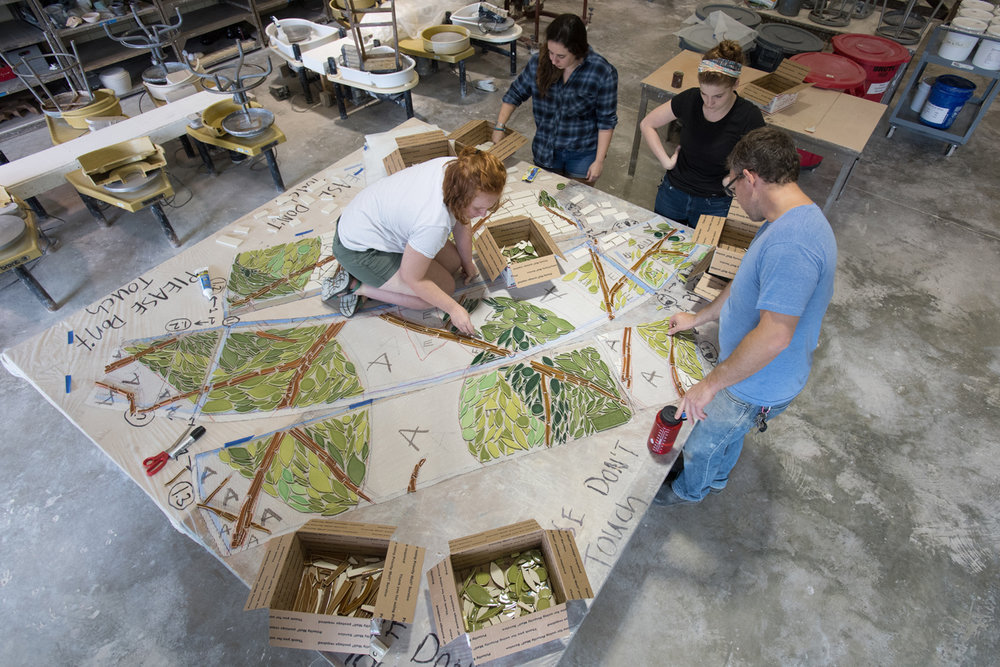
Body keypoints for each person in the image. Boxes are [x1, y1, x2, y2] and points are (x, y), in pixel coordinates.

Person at [654, 126, 837, 505]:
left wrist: (710, 385)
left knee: (702, 444)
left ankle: (691, 491)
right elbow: (745, 283)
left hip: (755, 383)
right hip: (749, 377)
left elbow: (774, 337)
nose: (734, 196)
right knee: (728, 435)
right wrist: (699, 317)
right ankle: (717, 477)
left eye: (733, 187)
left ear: (750, 178)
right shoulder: (785, 217)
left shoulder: (792, 245)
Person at [322, 148, 506, 336]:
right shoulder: (434, 223)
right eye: (478, 208)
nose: (483, 214)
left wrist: (467, 263)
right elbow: (413, 278)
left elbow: (462, 220)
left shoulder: (460, 169)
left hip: (370, 221)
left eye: (488, 207)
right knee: (434, 295)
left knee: (453, 262)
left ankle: (379, 275)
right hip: (358, 250)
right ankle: (355, 286)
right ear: (460, 198)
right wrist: (454, 309)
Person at [640, 40, 764, 227]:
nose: (709, 102)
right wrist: (665, 161)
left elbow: (763, 159)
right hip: (674, 193)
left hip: (714, 202)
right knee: (660, 248)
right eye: (704, 93)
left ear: (735, 84)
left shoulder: (748, 115)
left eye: (718, 96)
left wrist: (733, 178)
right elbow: (647, 123)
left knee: (702, 253)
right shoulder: (691, 99)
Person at [492, 13, 618, 183]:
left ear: (577, 50)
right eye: (551, 52)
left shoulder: (601, 72)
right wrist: (500, 127)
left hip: (582, 154)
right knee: (544, 198)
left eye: (561, 56)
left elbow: (606, 121)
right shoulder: (539, 62)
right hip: (546, 150)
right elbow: (515, 94)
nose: (553, 60)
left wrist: (599, 161)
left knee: (573, 204)